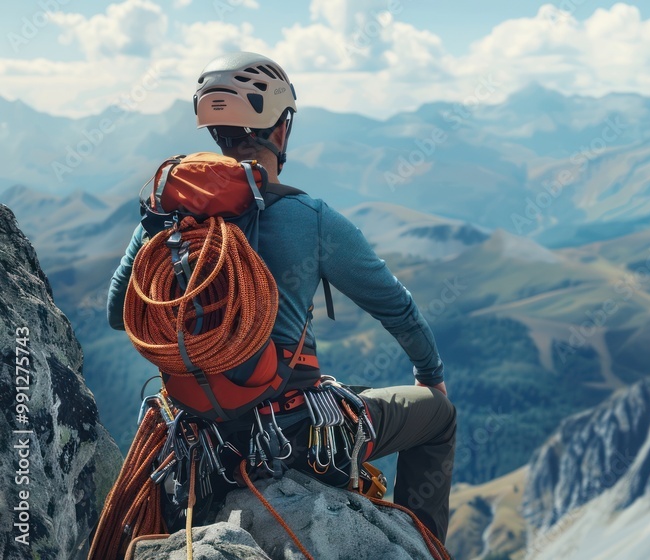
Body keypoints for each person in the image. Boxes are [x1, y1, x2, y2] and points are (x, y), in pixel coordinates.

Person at [106, 51, 456, 543]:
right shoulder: (309, 217)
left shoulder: (172, 215)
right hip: (296, 437)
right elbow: (395, 307)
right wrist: (431, 376)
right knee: (438, 417)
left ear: (215, 133)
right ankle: (425, 547)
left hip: (200, 444)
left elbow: (118, 313)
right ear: (281, 129)